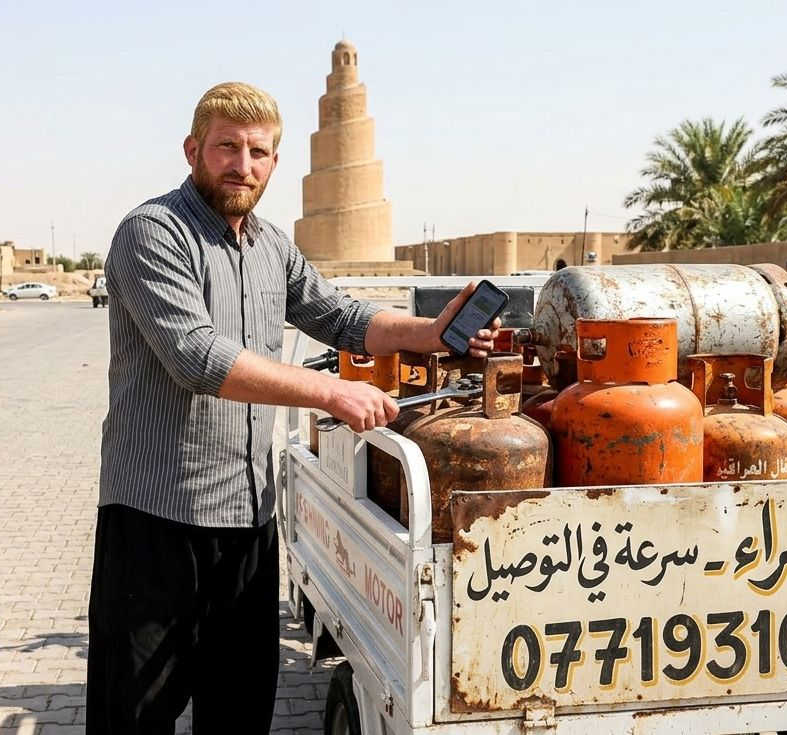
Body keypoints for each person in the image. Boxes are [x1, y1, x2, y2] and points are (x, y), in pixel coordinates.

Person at [90, 82, 500, 734]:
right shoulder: (153, 233)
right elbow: (196, 356)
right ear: (193, 150)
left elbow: (341, 316)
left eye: (258, 152)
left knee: (239, 713)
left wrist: (430, 331)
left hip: (247, 520)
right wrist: (331, 391)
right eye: (226, 147)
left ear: (275, 162)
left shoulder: (271, 246)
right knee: (135, 717)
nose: (242, 165)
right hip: (155, 520)